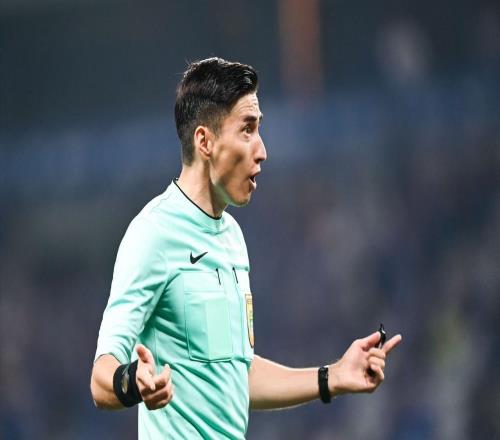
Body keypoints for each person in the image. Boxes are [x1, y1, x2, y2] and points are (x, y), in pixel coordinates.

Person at [90, 57, 402, 439]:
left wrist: (332, 377)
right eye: (248, 129)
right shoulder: (153, 234)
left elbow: (237, 375)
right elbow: (101, 378)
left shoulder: (232, 238)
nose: (262, 150)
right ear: (205, 141)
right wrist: (133, 383)